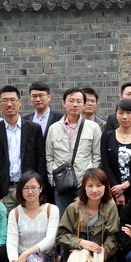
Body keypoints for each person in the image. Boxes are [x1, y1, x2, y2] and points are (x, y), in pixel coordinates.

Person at [57, 168, 120, 262]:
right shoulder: (73, 208)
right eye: (90, 186)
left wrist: (100, 257)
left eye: (99, 185)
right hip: (78, 256)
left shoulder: (111, 207)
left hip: (102, 257)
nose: (94, 190)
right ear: (83, 187)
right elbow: (61, 235)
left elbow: (114, 237)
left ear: (106, 187)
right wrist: (80, 242)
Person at [0, 85, 46, 211]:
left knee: (30, 221)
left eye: (13, 100)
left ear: (20, 102)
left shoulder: (34, 129)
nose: (9, 104)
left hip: (29, 188)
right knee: (6, 222)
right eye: (5, 100)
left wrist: (39, 188)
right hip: (5, 190)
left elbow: (41, 161)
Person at [45, 87, 102, 217]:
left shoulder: (93, 128)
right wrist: (53, 181)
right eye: (71, 101)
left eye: (79, 101)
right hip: (61, 185)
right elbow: (49, 156)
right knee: (63, 221)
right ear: (64, 103)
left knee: (85, 220)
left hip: (84, 184)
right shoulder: (53, 128)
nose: (75, 104)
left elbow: (97, 156)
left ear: (84, 104)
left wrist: (91, 179)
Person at [6, 171, 59, 262]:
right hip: (20, 259)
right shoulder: (15, 213)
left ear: (40, 189)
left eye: (34, 187)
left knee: (32, 259)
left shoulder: (51, 209)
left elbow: (50, 240)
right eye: (26, 188)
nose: (30, 191)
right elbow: (11, 242)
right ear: (20, 190)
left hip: (43, 258)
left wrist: (26, 254)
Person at [100, 99, 131, 208]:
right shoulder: (107, 137)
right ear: (116, 115)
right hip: (111, 190)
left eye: (128, 113)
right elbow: (106, 165)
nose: (125, 117)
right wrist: (117, 191)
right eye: (121, 113)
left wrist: (124, 186)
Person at [23, 81, 63, 205]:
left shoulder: (60, 118)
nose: (38, 99)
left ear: (49, 97)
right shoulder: (25, 120)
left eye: (41, 95)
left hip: (53, 170)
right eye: (34, 96)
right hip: (33, 170)